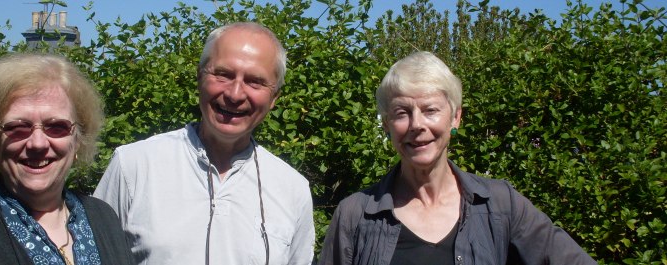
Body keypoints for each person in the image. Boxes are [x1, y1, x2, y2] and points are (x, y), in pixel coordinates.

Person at [319, 51, 596, 265]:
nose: (417, 125)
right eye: (402, 112)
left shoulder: (500, 205)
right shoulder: (355, 215)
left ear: (456, 117)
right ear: (387, 125)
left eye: (430, 110)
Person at [93, 22, 315, 265]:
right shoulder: (133, 166)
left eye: (255, 81)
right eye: (223, 74)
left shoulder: (293, 190)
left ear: (274, 98)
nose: (235, 94)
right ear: (199, 77)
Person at [0, 53, 135, 265]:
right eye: (17, 127)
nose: (38, 143)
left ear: (77, 140)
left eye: (57, 127)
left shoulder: (103, 217)